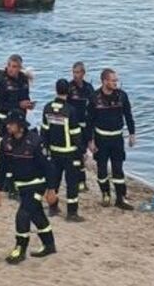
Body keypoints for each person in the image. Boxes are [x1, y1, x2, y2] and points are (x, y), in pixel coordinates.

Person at [0, 111, 58, 264]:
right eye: (7, 123)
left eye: (11, 123)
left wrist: (51, 189)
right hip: (21, 185)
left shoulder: (35, 141)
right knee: (36, 215)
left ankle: (20, 249)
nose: (8, 126)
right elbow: (1, 167)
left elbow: (49, 168)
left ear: (21, 126)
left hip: (37, 184)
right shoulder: (5, 142)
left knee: (23, 214)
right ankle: (49, 245)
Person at [86, 68, 136, 210]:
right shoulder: (94, 97)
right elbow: (89, 121)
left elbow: (128, 115)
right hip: (101, 139)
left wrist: (132, 134)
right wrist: (90, 141)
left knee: (118, 170)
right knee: (102, 170)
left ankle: (120, 198)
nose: (116, 83)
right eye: (113, 80)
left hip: (117, 138)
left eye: (116, 80)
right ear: (104, 81)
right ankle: (105, 194)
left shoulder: (122, 96)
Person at [41, 78, 86, 222]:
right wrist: (82, 152)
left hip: (54, 152)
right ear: (68, 92)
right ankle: (72, 213)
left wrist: (46, 150)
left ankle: (53, 207)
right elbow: (75, 135)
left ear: (56, 90)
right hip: (69, 153)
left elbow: (44, 132)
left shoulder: (47, 108)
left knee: (54, 181)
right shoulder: (70, 110)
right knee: (72, 183)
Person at [67, 61, 95, 193]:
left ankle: (82, 181)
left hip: (85, 125)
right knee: (75, 154)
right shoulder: (69, 87)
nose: (75, 75)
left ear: (83, 73)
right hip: (72, 125)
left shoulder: (89, 88)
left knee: (82, 153)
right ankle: (79, 181)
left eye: (78, 72)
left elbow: (93, 107)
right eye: (74, 72)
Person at [0, 54, 34, 138]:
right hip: (5, 121)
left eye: (14, 67)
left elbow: (25, 97)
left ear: (19, 68)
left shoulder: (23, 79)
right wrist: (18, 105)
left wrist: (29, 104)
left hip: (20, 120)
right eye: (9, 65)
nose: (10, 69)